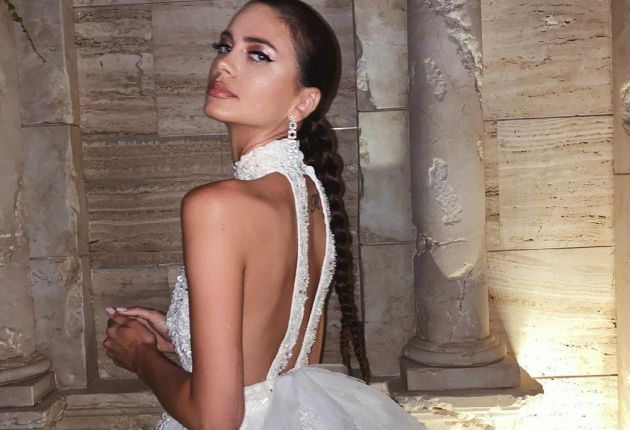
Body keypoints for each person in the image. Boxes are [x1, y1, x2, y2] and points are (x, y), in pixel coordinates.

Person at [102, 1, 426, 428]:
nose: (224, 64)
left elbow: (217, 420)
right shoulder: (310, 193)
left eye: (258, 55)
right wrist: (180, 333)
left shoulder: (216, 205)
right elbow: (287, 360)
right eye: (225, 46)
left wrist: (140, 355)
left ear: (303, 102)